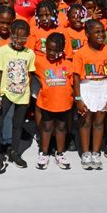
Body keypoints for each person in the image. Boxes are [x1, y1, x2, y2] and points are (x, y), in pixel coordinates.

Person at [0, 18, 36, 170]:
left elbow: (29, 75)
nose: (18, 41)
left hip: (22, 95)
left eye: (23, 38)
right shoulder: (3, 51)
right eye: (15, 37)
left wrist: (28, 95)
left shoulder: (30, 54)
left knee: (17, 125)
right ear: (10, 35)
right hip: (4, 94)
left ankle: (14, 151)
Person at [73, 20, 107, 171]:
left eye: (102, 31)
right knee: (85, 121)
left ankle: (96, 152)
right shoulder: (80, 53)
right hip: (86, 87)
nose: (101, 35)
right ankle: (86, 152)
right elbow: (76, 77)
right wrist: (78, 98)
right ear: (87, 34)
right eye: (97, 32)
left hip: (103, 86)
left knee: (99, 122)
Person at [33, 33, 74, 170]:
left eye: (55, 51)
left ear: (62, 50)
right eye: (49, 49)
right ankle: (44, 153)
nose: (51, 53)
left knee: (62, 128)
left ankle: (60, 153)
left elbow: (73, 83)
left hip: (64, 103)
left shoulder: (68, 64)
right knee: (46, 128)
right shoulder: (39, 61)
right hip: (46, 102)